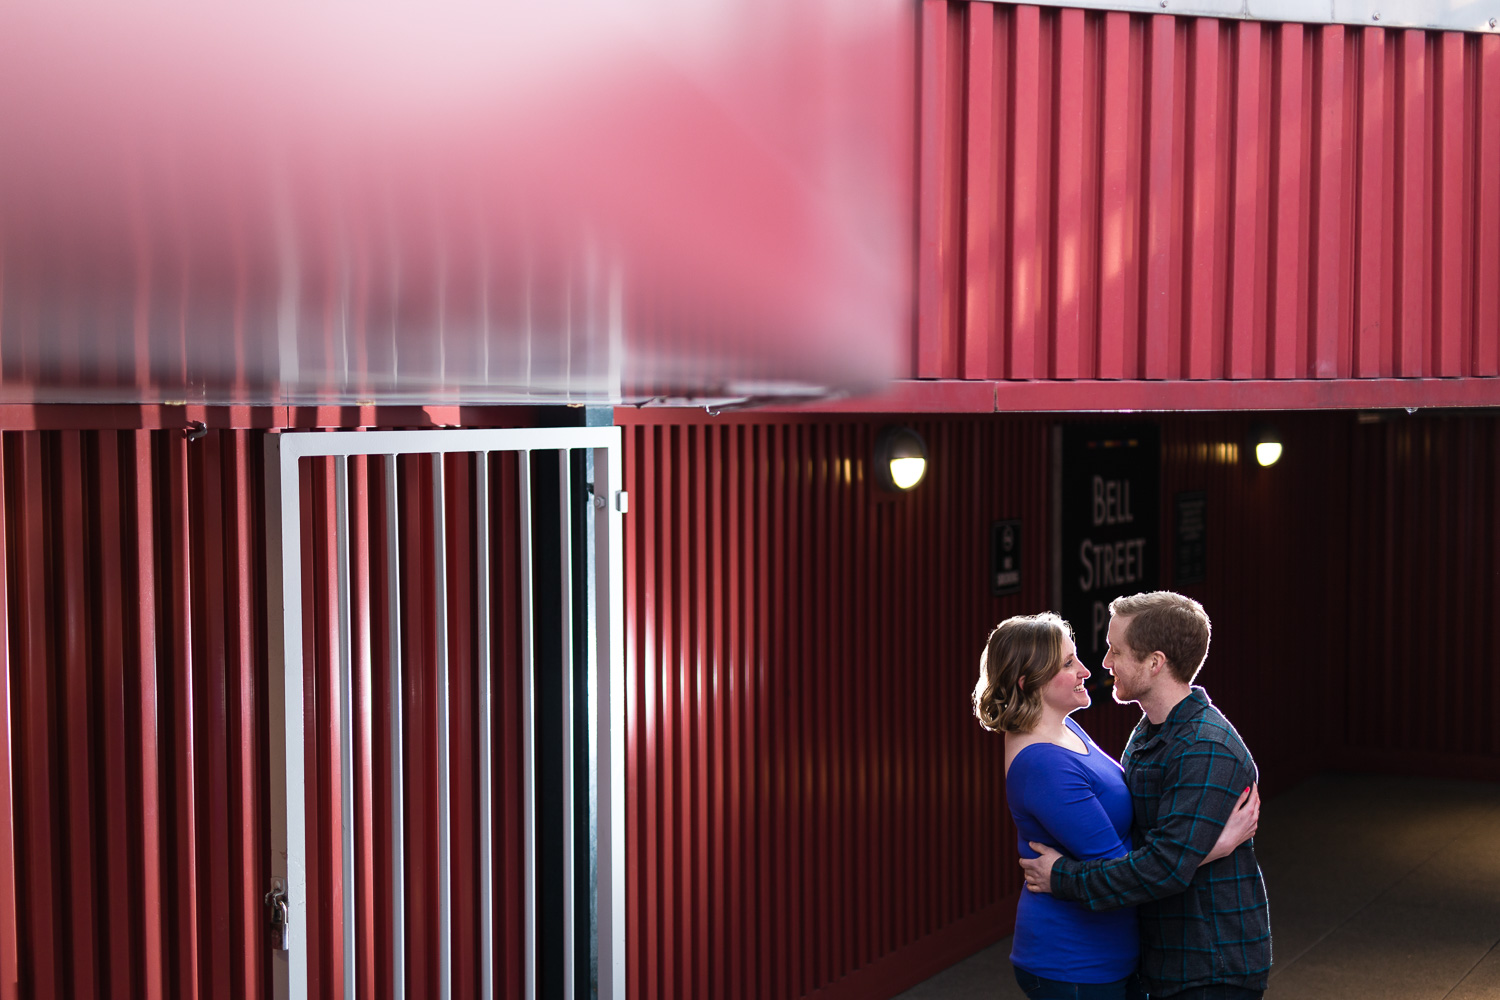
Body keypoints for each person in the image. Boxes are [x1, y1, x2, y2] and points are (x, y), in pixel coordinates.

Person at [974, 612, 1257, 1000]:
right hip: (1075, 959)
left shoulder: (1065, 728)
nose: (1089, 669)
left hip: (1111, 951)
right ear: (1029, 683)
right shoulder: (1042, 763)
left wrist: (1179, 851)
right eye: (1068, 663)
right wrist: (1209, 847)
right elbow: (1120, 867)